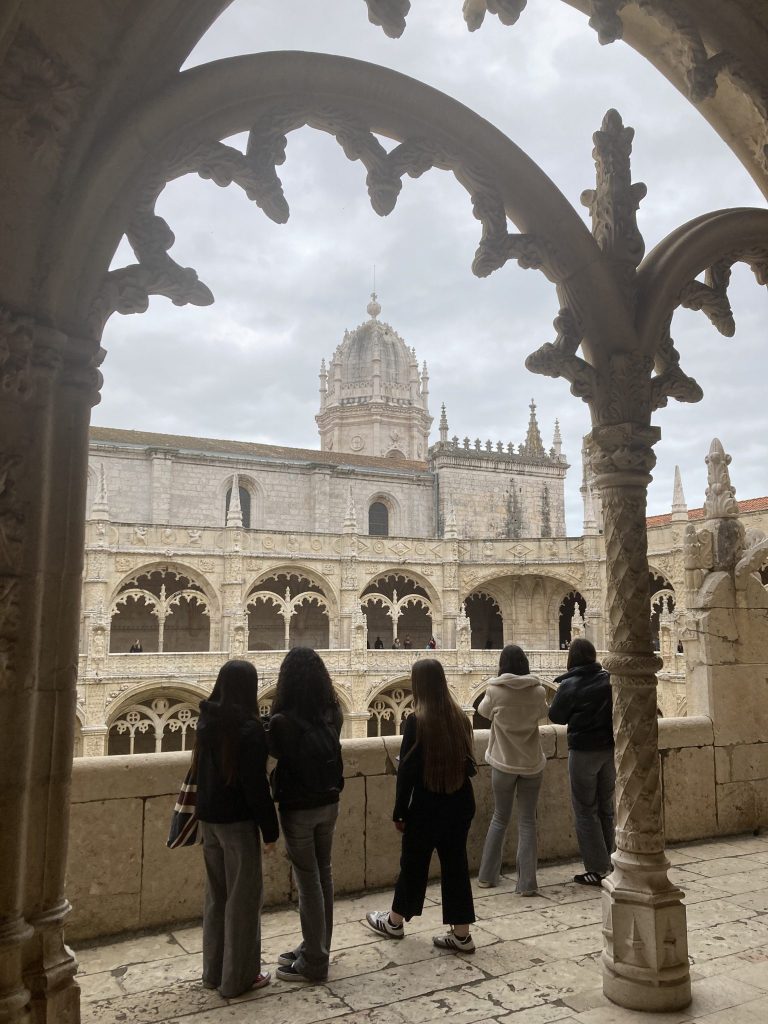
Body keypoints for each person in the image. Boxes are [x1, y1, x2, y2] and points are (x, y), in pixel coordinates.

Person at [365, 659, 477, 952]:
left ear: (419, 685)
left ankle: (394, 922)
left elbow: (408, 773)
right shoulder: (461, 718)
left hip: (429, 804)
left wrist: (400, 812)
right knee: (456, 866)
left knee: (413, 865)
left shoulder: (417, 721)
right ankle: (462, 935)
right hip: (460, 802)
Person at [194, 660, 278, 997]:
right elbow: (255, 786)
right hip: (237, 823)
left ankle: (213, 974)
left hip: (208, 820)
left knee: (216, 899)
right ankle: (238, 979)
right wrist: (270, 831)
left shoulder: (205, 721)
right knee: (243, 901)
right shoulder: (248, 729)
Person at [267, 647, 344, 982]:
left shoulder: (282, 721)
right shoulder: (333, 712)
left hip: (298, 808)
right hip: (330, 801)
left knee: (308, 881)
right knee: (323, 875)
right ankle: (317, 947)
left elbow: (273, 753)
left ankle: (315, 961)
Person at [477, 645, 548, 894]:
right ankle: (527, 883)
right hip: (531, 763)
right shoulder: (538, 691)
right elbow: (544, 713)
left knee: (500, 818)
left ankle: (487, 876)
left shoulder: (494, 690)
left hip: (503, 762)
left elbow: (482, 712)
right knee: (527, 821)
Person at [548, 638, 614, 886]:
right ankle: (611, 862)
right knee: (606, 807)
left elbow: (556, 716)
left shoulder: (570, 684)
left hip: (584, 752)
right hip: (608, 750)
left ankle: (597, 869)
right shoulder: (608, 679)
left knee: (586, 810)